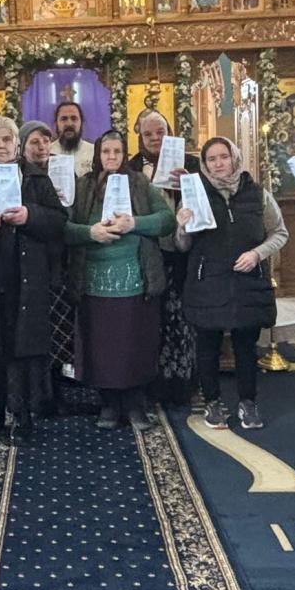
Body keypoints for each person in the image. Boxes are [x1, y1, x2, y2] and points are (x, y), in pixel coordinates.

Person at [0, 118, 68, 445]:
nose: (1, 146)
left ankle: (22, 414)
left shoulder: (36, 178)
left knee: (22, 348)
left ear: (16, 144)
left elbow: (59, 222)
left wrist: (30, 215)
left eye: (6, 139)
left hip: (26, 277)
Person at [174, 139, 288, 430]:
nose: (218, 163)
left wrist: (257, 254)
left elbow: (279, 233)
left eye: (223, 157)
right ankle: (212, 402)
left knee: (246, 346)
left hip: (247, 280)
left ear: (235, 158)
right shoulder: (194, 194)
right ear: (204, 164)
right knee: (207, 345)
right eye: (211, 159)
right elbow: (182, 245)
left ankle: (248, 402)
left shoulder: (258, 194)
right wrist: (182, 226)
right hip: (207, 281)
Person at [66, 131, 177, 429]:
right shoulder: (83, 185)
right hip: (93, 282)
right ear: (98, 155)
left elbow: (167, 220)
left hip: (135, 280)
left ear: (124, 154)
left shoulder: (140, 183)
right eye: (106, 152)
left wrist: (134, 223)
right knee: (101, 347)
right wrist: (90, 232)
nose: (112, 157)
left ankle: (135, 404)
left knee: (135, 344)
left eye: (117, 151)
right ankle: (109, 405)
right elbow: (64, 228)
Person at [128, 111, 202, 406]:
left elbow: (205, 205)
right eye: (148, 134)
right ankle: (150, 383)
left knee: (180, 319)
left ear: (169, 133)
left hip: (181, 250)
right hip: (146, 251)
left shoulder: (191, 164)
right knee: (149, 319)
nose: (155, 138)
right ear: (140, 137)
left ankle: (182, 384)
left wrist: (189, 186)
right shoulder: (132, 167)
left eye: (160, 132)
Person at [51, 101, 94, 177]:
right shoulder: (48, 152)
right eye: (64, 119)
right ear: (56, 123)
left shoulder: (93, 152)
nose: (69, 124)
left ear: (81, 122)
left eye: (74, 118)